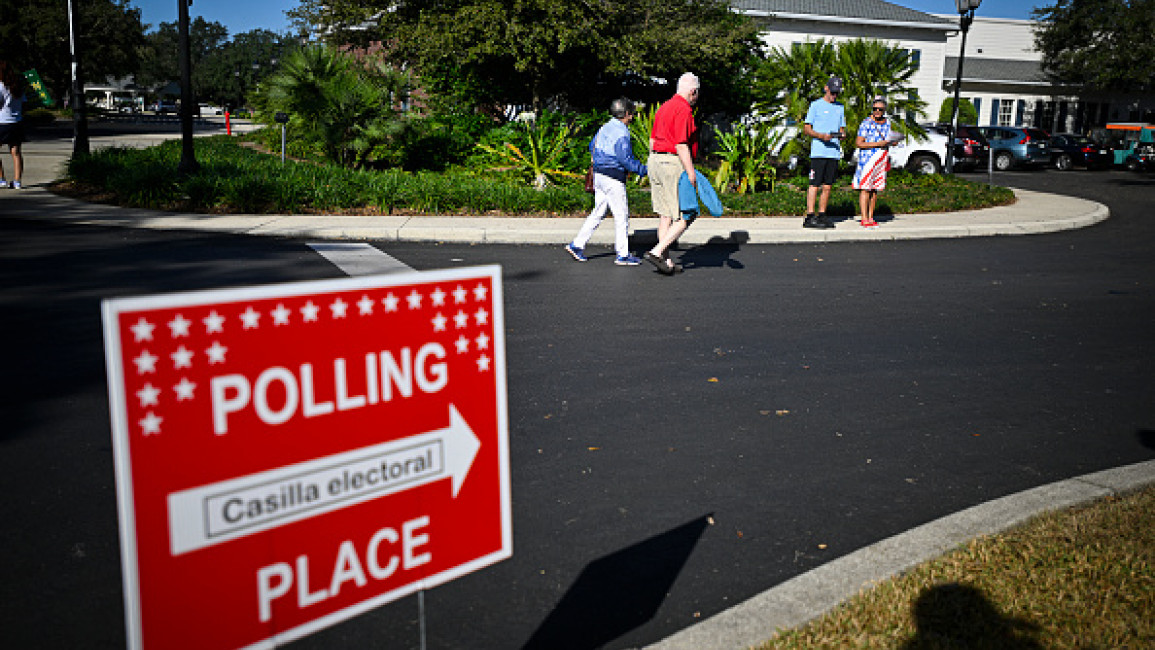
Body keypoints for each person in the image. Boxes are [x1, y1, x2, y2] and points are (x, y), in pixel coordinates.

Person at [565, 98, 648, 265]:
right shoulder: (622, 132)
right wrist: (644, 170)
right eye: (631, 114)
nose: (632, 117)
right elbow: (625, 159)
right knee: (621, 216)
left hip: (599, 175)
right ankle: (623, 255)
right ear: (626, 114)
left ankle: (577, 245)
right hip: (613, 177)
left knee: (598, 212)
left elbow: (591, 145)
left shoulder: (605, 127)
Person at [644, 72, 700, 276]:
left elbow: (651, 141)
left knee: (665, 214)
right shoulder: (683, 110)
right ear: (693, 92)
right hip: (671, 162)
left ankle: (665, 260)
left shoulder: (664, 107)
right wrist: (691, 172)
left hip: (655, 160)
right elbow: (681, 144)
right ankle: (658, 251)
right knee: (688, 212)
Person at [802, 76, 846, 229]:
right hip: (819, 152)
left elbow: (841, 128)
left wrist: (842, 134)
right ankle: (809, 216)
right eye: (832, 92)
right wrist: (821, 136)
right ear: (826, 88)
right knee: (814, 184)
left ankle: (822, 215)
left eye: (837, 93)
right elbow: (807, 129)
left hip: (833, 153)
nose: (834, 95)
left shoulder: (840, 107)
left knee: (828, 186)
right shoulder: (815, 105)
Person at [853, 97, 893, 228]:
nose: (877, 111)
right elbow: (859, 143)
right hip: (867, 160)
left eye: (880, 109)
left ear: (884, 110)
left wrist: (892, 141)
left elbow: (888, 138)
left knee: (875, 190)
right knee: (865, 189)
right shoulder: (866, 123)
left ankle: (871, 216)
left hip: (881, 160)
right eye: (874, 109)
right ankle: (864, 218)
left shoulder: (887, 123)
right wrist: (878, 144)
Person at [0, 60, 27, 190]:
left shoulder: (0, 86)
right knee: (16, 152)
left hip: (2, 122)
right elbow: (23, 103)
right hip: (16, 122)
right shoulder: (17, 86)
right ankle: (17, 181)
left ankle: (1, 179)